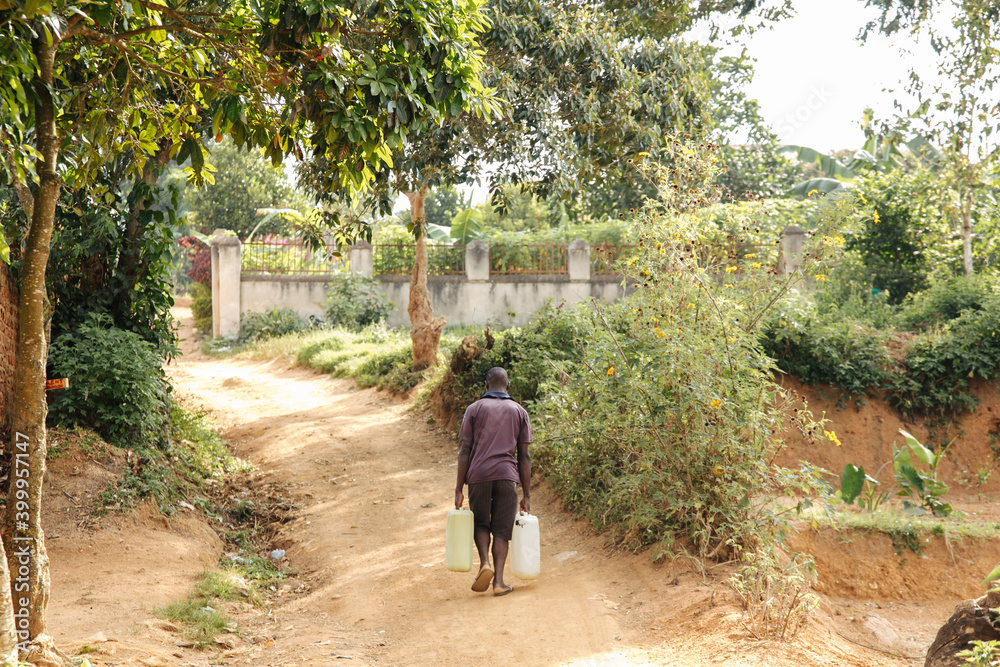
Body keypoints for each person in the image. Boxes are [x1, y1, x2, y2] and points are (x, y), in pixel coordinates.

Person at [454, 367, 532, 596]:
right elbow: (524, 456)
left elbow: (464, 451)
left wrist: (458, 488)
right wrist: (526, 495)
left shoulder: (474, 409)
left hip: (478, 475)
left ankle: (484, 563)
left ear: (486, 386)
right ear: (507, 386)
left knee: (480, 523)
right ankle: (498, 582)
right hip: (508, 476)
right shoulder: (519, 411)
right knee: (501, 529)